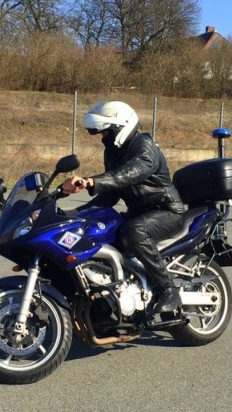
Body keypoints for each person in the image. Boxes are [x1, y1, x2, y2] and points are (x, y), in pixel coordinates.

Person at [61, 100, 186, 314]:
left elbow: (133, 172)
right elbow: (110, 194)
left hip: (166, 211)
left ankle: (167, 289)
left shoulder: (143, 145)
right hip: (139, 213)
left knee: (134, 231)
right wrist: (73, 214)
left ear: (121, 126)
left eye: (106, 132)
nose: (103, 138)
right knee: (101, 228)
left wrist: (91, 181)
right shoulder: (113, 153)